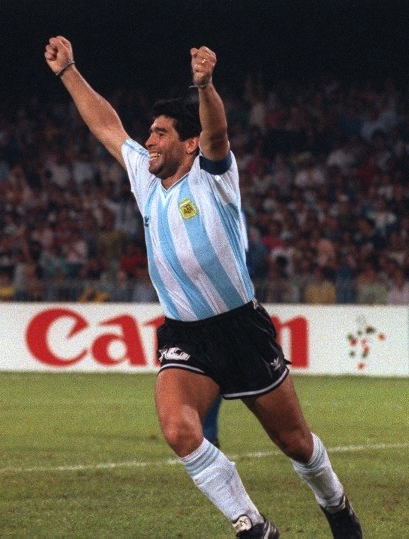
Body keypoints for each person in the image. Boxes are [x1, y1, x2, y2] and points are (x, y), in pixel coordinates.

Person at [45, 37, 361, 538]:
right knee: (177, 430)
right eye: (149, 132)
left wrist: (205, 85)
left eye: (160, 133)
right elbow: (106, 125)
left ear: (187, 143)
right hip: (186, 335)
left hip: (242, 329)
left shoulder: (214, 176)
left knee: (296, 442)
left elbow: (217, 132)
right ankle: (252, 526)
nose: (148, 141)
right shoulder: (146, 182)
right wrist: (69, 73)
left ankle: (337, 507)